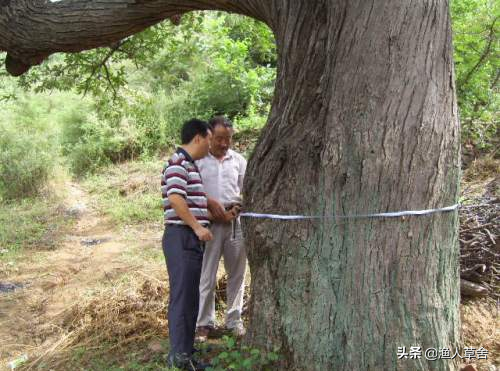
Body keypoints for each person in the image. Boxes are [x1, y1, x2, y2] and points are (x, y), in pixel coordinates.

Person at [161, 118, 215, 371]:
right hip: (181, 236)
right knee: (183, 298)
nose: (211, 145)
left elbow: (191, 199)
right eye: (210, 139)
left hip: (189, 239)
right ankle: (179, 358)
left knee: (190, 296)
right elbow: (175, 198)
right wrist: (197, 226)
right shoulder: (177, 163)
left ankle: (185, 351)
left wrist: (212, 208)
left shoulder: (190, 166)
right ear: (198, 138)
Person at [195, 115, 248, 341]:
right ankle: (204, 323)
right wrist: (210, 209)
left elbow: (246, 190)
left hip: (235, 222)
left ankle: (234, 320)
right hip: (208, 224)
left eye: (228, 138)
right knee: (206, 274)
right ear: (209, 136)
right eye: (219, 138)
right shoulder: (199, 161)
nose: (224, 143)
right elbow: (192, 191)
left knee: (237, 273)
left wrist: (236, 209)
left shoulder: (238, 160)